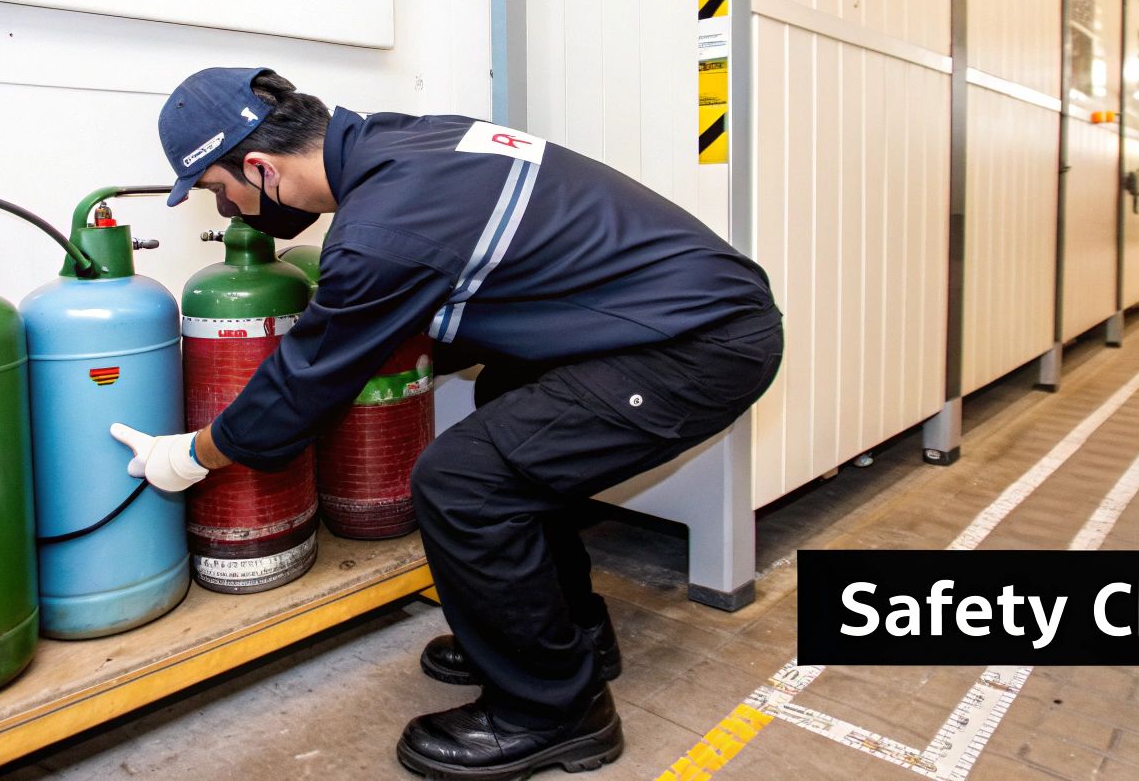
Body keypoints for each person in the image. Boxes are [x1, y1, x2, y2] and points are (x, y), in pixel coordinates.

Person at [110, 67, 783, 780]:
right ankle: (566, 637)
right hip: (669, 320)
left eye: (220, 191)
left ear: (259, 167)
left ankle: (555, 712)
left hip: (699, 346)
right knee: (511, 415)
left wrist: (192, 455)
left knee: (464, 483)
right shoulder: (406, 143)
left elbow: (304, 386)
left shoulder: (383, 226)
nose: (232, 208)